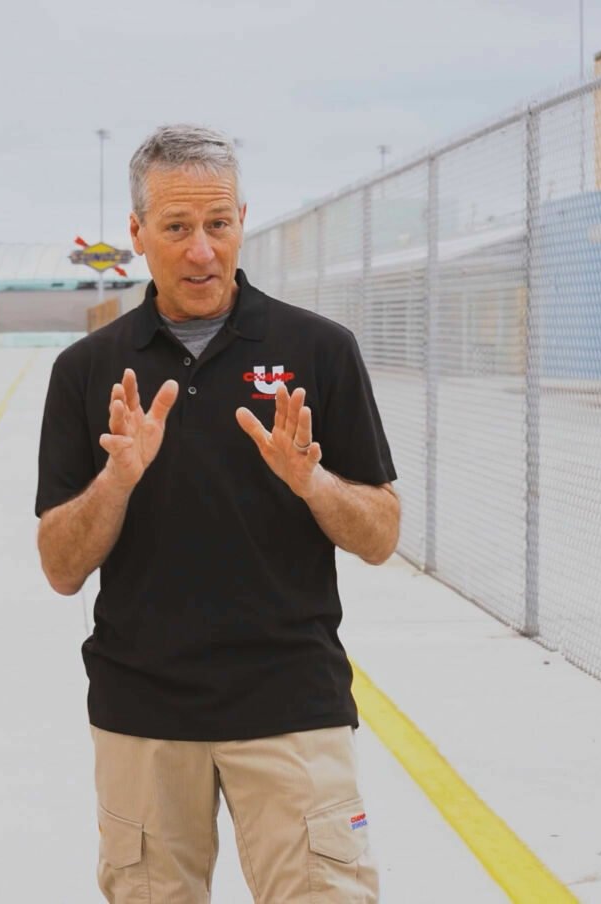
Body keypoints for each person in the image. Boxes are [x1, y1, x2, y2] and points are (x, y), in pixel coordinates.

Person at [35, 125, 400, 904]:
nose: (202, 250)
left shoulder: (319, 351)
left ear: (242, 219)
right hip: (144, 714)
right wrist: (118, 479)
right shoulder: (87, 371)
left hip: (292, 704)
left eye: (219, 225)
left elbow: (381, 533)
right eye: (176, 228)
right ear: (135, 234)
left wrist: (314, 484)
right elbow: (61, 566)